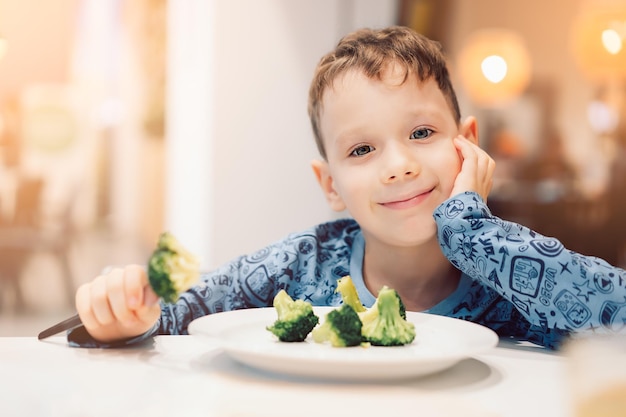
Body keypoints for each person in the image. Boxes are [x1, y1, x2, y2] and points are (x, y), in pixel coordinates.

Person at [70, 26, 626, 349]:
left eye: (423, 133)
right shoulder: (299, 267)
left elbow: (617, 315)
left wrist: (472, 231)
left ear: (468, 144)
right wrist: (129, 316)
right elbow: (180, 314)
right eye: (362, 150)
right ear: (330, 184)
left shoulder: (509, 270)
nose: (399, 165)